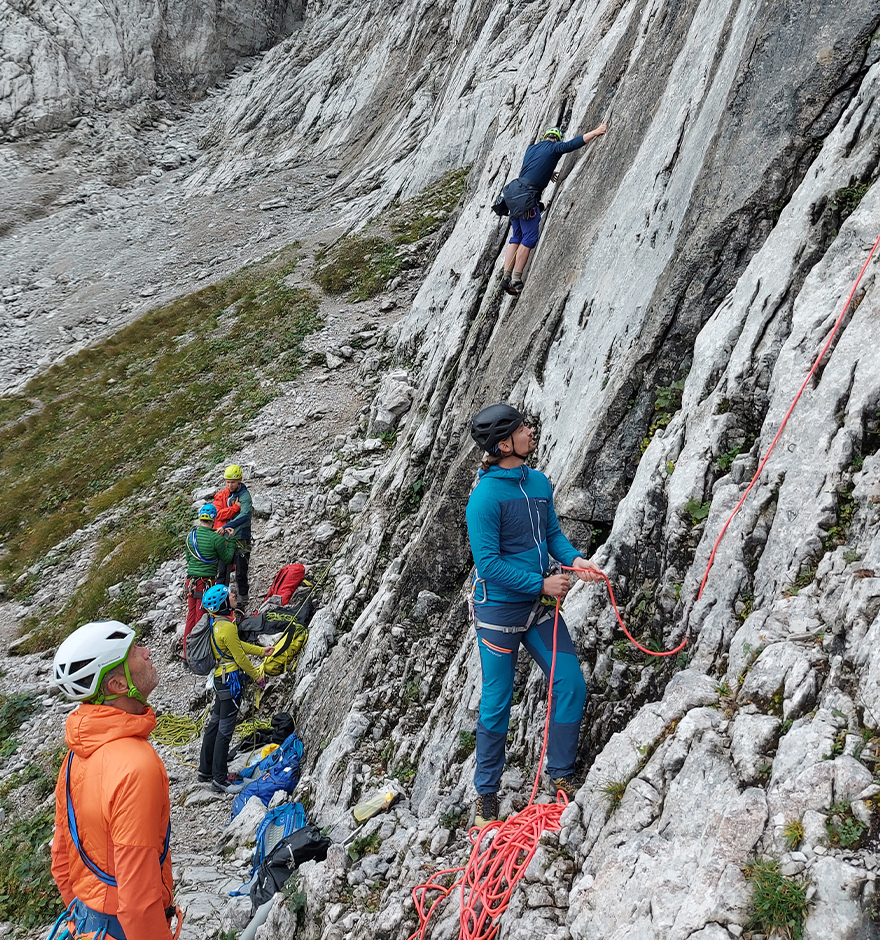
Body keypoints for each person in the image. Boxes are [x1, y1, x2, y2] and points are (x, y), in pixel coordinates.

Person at [466, 403, 603, 827]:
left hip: (537, 610)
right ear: (503, 443)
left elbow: (553, 537)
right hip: (499, 615)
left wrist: (576, 561)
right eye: (522, 428)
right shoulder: (485, 498)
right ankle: (486, 795)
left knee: (571, 683)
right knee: (496, 705)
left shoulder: (538, 482)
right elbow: (488, 565)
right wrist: (541, 585)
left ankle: (560, 773)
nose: (531, 431)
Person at [50, 621, 178, 940]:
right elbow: (137, 900)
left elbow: (61, 858)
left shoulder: (75, 757)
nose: (148, 652)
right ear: (119, 684)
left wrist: (90, 918)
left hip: (87, 921)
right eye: (135, 650)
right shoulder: (136, 767)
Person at [501, 123, 607, 296]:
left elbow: (531, 167)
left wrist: (548, 172)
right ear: (556, 139)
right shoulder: (554, 148)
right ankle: (516, 279)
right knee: (528, 237)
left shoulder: (531, 149)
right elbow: (574, 144)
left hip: (513, 195)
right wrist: (596, 131)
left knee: (517, 236)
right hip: (527, 198)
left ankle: (506, 274)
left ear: (545, 137)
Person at [197, 584, 274, 793]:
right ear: (223, 602)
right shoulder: (228, 626)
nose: (233, 595)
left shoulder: (216, 623)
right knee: (225, 729)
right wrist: (257, 676)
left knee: (215, 724)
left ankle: (206, 771)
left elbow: (236, 647)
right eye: (229, 594)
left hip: (220, 679)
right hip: (231, 681)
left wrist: (261, 651)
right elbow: (240, 657)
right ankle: (220, 779)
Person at [183, 502, 236, 646]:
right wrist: (231, 540)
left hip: (190, 582)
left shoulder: (190, 536)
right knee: (202, 617)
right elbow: (227, 558)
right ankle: (200, 649)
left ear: (200, 518)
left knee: (191, 614)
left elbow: (189, 559)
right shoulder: (216, 539)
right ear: (213, 519)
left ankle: (187, 651)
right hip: (206, 582)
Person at [215, 464, 254, 607]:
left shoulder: (245, 495)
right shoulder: (225, 495)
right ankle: (220, 600)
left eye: (232, 482)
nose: (230, 485)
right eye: (227, 482)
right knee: (222, 571)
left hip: (241, 537)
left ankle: (243, 599)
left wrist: (225, 526)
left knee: (240, 572)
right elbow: (219, 512)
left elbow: (245, 515)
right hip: (226, 539)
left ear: (239, 481)